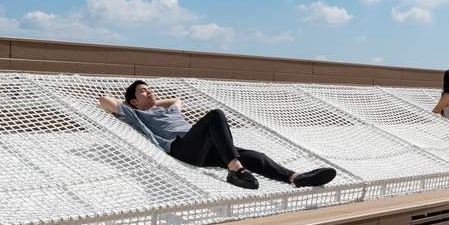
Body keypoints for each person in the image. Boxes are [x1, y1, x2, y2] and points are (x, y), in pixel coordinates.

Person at [99, 80, 336, 191]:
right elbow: (104, 101)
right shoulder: (134, 113)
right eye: (143, 91)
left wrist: (152, 101)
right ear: (132, 100)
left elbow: (176, 101)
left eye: (150, 89)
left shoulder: (167, 109)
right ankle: (235, 170)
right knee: (215, 116)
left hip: (202, 147)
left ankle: (296, 178)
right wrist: (141, 107)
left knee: (256, 155)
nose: (149, 92)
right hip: (181, 149)